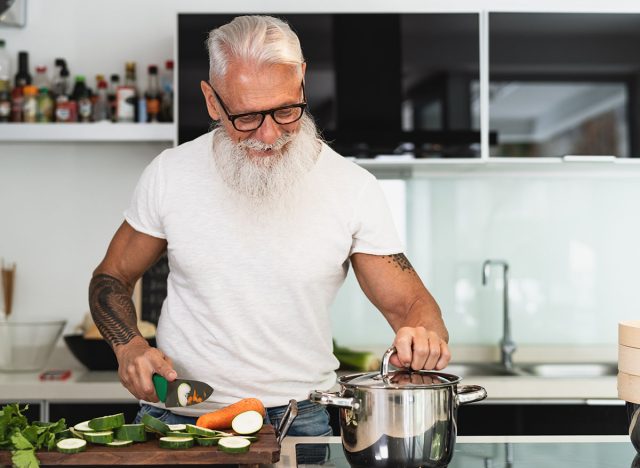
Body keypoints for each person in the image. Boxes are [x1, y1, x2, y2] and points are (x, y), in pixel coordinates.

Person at [89, 15, 451, 436]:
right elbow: (111, 277)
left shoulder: (353, 188)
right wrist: (128, 345)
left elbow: (412, 306)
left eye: (285, 110)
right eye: (246, 117)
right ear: (211, 102)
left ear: (302, 81)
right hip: (176, 416)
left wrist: (423, 338)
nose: (268, 134)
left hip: (298, 420)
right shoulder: (170, 174)